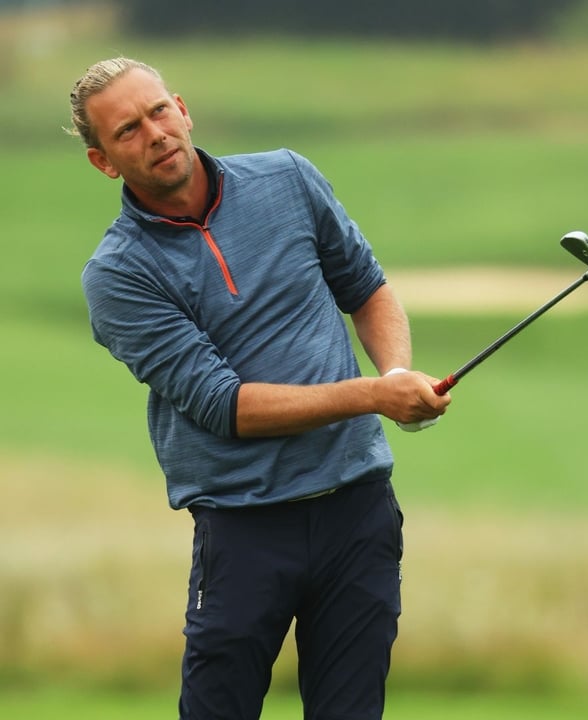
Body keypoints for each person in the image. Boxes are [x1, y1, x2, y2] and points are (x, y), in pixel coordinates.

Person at [69, 57, 450, 719]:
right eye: (128, 130)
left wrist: (394, 372)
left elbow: (368, 290)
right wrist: (373, 396)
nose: (155, 133)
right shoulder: (118, 274)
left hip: (357, 509)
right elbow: (226, 405)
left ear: (182, 109)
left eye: (159, 111)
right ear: (104, 162)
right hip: (244, 526)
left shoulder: (287, 177)